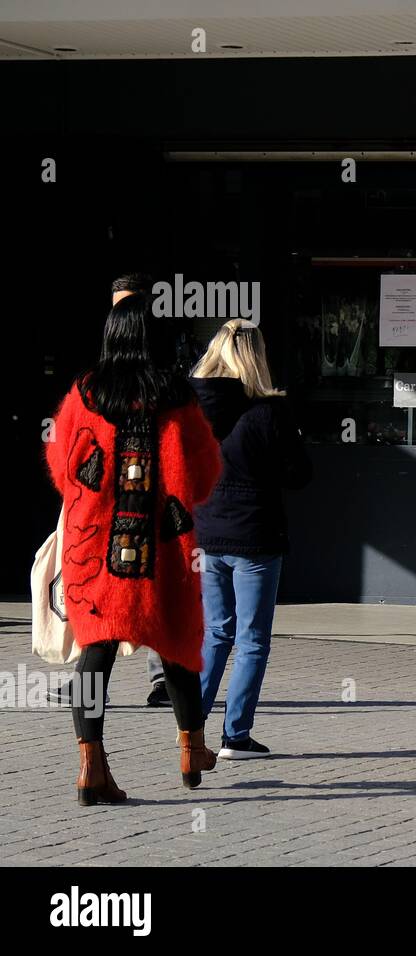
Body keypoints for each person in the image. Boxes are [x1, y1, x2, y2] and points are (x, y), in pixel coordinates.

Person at [45, 293, 223, 805]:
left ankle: (90, 765)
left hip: (94, 545)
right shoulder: (177, 395)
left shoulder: (84, 393)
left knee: (94, 652)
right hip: (162, 548)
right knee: (177, 646)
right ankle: (192, 749)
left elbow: (61, 464)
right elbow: (206, 471)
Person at [45, 273, 174, 708]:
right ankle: (97, 686)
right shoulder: (101, 381)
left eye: (128, 307)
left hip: (137, 510)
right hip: (104, 512)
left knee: (147, 596)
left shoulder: (155, 380)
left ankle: (159, 683)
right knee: (102, 601)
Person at [191, 320, 312, 759]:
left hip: (207, 530)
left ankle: (192, 727)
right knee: (252, 639)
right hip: (255, 535)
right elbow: (299, 474)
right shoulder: (270, 411)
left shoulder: (194, 408)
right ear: (257, 356)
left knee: (215, 634)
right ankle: (235, 737)